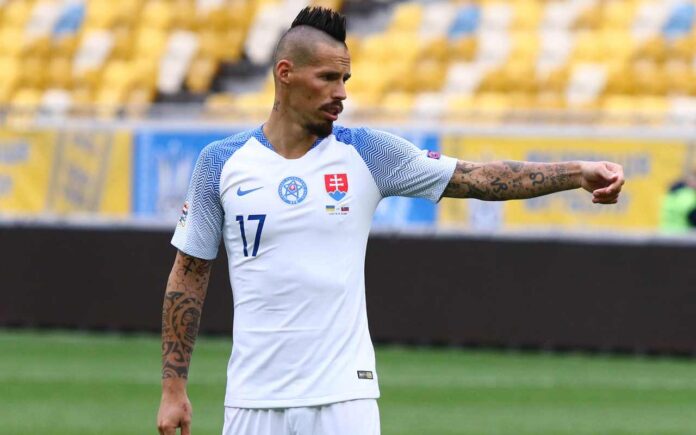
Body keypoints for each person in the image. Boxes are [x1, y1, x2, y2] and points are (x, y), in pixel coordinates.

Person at [157, 7, 625, 435]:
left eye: (345, 79)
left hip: (346, 399)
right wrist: (173, 390)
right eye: (328, 78)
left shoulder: (368, 153)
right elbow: (189, 275)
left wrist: (576, 173)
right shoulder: (220, 163)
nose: (342, 93)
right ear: (286, 74)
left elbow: (478, 178)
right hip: (253, 401)